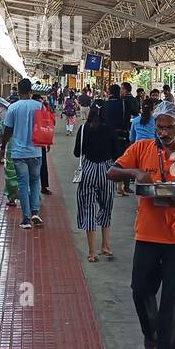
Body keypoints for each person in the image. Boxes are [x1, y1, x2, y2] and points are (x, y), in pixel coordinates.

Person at [108, 101, 175, 349]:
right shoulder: (141, 149)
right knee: (140, 288)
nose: (163, 133)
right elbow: (112, 171)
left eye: (168, 128)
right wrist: (136, 173)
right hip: (147, 232)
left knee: (172, 298)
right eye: (159, 128)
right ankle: (151, 331)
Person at [0, 78, 45, 229]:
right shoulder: (39, 106)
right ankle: (35, 213)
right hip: (36, 152)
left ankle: (26, 219)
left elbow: (7, 130)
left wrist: (2, 148)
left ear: (18, 91)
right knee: (34, 182)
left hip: (19, 154)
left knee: (23, 185)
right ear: (31, 91)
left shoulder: (13, 108)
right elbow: (46, 127)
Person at [75, 102, 116, 262]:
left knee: (88, 208)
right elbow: (117, 153)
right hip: (106, 171)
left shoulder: (85, 128)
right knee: (106, 207)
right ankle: (105, 246)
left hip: (88, 171)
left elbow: (76, 152)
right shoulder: (110, 129)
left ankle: (91, 252)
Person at [102, 84, 132, 195]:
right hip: (121, 135)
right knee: (120, 160)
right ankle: (120, 186)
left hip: (107, 135)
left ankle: (108, 184)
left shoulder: (105, 104)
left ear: (110, 92)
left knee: (109, 159)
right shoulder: (123, 103)